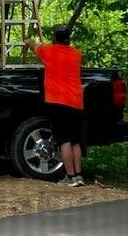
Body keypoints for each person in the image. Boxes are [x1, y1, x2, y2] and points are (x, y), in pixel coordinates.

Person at [25, 25, 84, 187]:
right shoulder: (77, 54)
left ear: (54, 38)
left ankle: (69, 176)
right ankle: (79, 176)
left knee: (64, 140)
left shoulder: (49, 51)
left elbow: (33, 45)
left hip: (58, 101)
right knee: (75, 141)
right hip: (76, 101)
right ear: (68, 38)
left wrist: (28, 40)